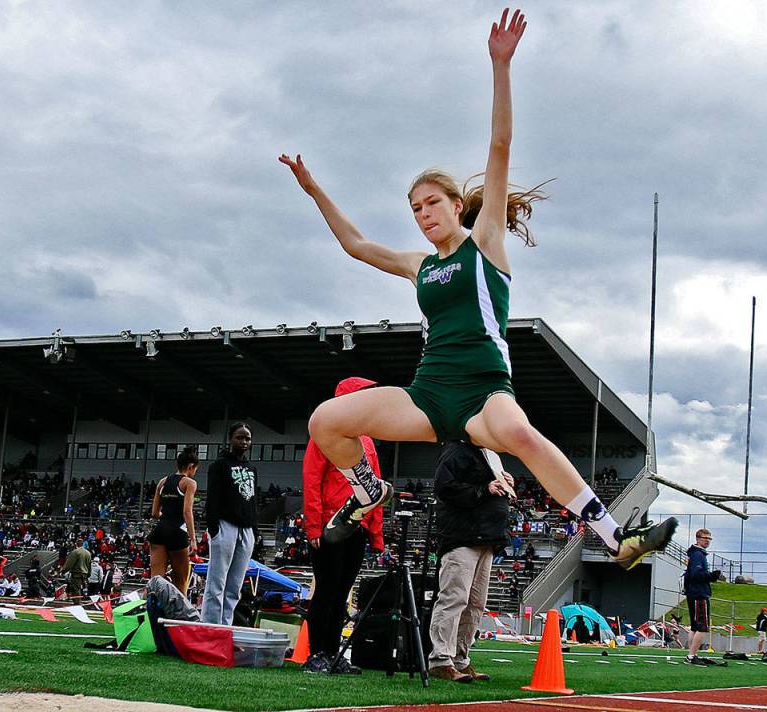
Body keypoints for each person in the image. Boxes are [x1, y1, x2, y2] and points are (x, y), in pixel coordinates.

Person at [278, 7, 677, 570]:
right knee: (326, 420)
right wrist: (314, 188)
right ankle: (370, 491)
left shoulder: (484, 242)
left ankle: (617, 539)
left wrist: (501, 64)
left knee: (522, 436)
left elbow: (500, 145)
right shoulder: (420, 265)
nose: (422, 215)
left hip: (484, 390)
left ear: (455, 204)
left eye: (431, 203)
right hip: (428, 393)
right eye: (414, 209)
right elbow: (357, 246)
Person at [301, 377, 385, 675]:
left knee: (341, 592)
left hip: (356, 527)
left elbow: (374, 488)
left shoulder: (367, 441)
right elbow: (311, 480)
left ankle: (333, 655)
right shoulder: (325, 434)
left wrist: (375, 533)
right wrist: (314, 527)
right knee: (326, 590)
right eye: (362, 397)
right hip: (330, 526)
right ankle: (315, 654)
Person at [427, 440, 513, 683]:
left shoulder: (486, 454)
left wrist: (503, 484)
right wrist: (485, 488)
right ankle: (441, 658)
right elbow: (444, 487)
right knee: (455, 598)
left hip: (485, 537)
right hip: (463, 536)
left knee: (475, 603)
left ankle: (460, 658)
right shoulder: (456, 450)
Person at [202, 423, 258, 625]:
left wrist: (255, 529)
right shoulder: (219, 466)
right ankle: (209, 624)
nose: (244, 442)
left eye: (247, 438)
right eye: (239, 437)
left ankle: (225, 625)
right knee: (217, 582)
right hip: (225, 526)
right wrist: (213, 528)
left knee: (234, 585)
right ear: (230, 439)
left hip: (247, 529)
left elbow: (253, 500)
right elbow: (213, 498)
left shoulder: (251, 468)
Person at [149, 445, 200, 596]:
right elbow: (187, 511)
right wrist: (193, 539)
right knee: (181, 582)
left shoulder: (162, 482)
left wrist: (167, 517)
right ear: (191, 466)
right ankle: (178, 617)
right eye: (195, 469)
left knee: (156, 581)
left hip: (160, 530)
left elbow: (154, 513)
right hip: (177, 532)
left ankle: (151, 614)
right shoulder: (189, 483)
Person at [684, 528, 722, 666]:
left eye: (709, 538)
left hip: (693, 592)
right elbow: (696, 574)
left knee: (694, 627)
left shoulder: (695, 554)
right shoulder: (698, 555)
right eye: (705, 538)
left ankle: (692, 654)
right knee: (702, 627)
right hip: (699, 593)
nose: (707, 540)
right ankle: (691, 655)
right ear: (698, 539)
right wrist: (710, 576)